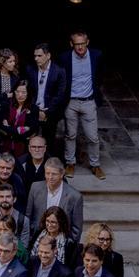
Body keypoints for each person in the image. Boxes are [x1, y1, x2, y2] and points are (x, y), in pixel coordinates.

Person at [59, 31, 105, 179]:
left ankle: (95, 165)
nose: (80, 47)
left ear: (87, 42)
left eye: (82, 44)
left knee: (92, 137)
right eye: (77, 44)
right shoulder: (64, 57)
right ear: (71, 44)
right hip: (71, 102)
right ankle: (70, 163)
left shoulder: (96, 55)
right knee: (70, 135)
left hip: (88, 101)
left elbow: (99, 76)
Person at [25, 158, 84, 241]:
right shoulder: (35, 188)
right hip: (37, 240)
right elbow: (28, 216)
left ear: (62, 174)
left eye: (54, 174)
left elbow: (76, 229)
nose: (50, 177)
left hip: (62, 243)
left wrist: (69, 247)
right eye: (47, 173)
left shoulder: (75, 196)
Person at [27, 42, 68, 148]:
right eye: (35, 56)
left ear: (48, 55)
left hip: (51, 112)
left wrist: (46, 112)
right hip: (33, 110)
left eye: (39, 56)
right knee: (30, 139)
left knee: (48, 141)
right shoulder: (30, 69)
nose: (36, 58)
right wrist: (35, 110)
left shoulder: (59, 71)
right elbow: (28, 92)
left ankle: (47, 163)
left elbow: (60, 95)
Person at [0, 80, 37, 158]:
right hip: (5, 145)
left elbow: (31, 130)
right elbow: (1, 127)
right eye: (17, 91)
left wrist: (9, 129)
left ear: (28, 93)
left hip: (23, 147)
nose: (20, 95)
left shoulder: (33, 109)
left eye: (24, 92)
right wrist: (20, 130)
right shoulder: (6, 105)